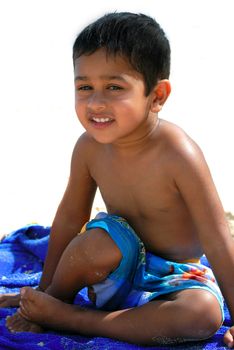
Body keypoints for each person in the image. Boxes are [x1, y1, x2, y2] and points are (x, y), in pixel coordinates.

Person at [1, 12, 234, 347]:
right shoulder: (88, 148)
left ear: (157, 96)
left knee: (204, 316)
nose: (96, 103)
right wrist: (45, 291)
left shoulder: (179, 154)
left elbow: (217, 238)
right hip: (112, 271)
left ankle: (76, 320)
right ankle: (56, 304)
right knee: (97, 240)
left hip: (175, 280)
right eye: (85, 87)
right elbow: (70, 218)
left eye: (114, 87)